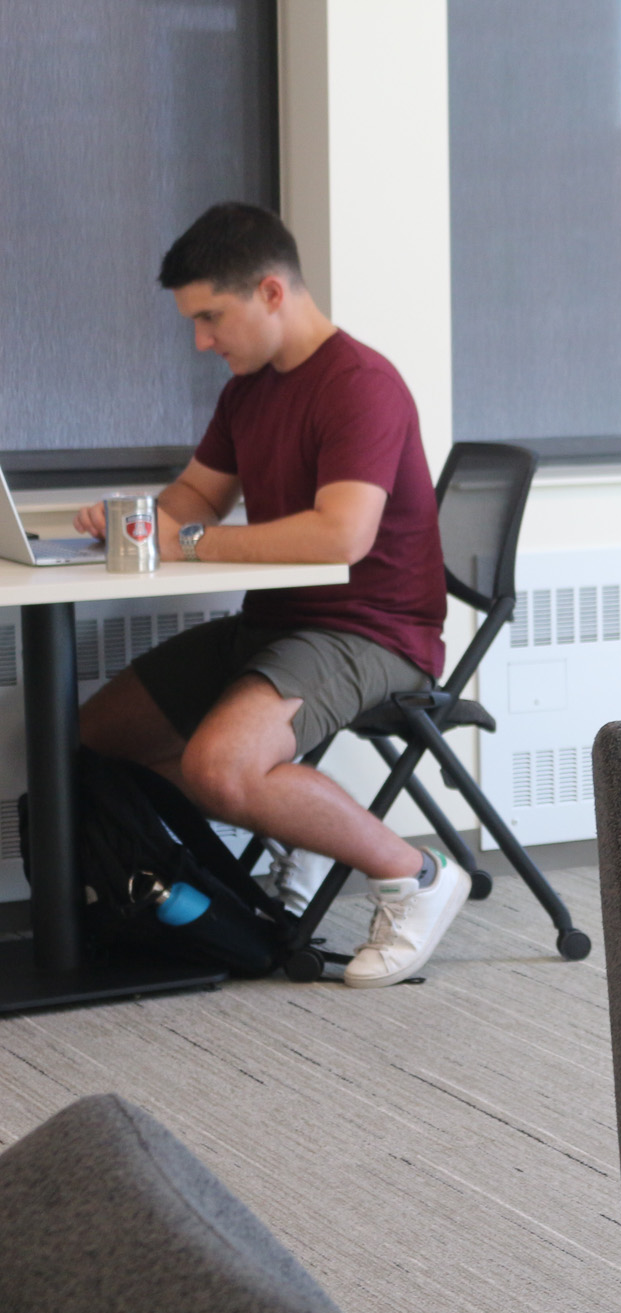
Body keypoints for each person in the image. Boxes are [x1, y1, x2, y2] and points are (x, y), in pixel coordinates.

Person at [74, 202, 469, 988]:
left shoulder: (361, 385)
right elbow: (195, 497)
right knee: (94, 733)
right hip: (279, 622)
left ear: (271, 292)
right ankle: (298, 825)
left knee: (223, 767)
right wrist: (135, 525)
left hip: (371, 631)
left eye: (211, 317)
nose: (202, 340)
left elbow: (340, 536)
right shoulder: (248, 390)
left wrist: (191, 543)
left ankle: (415, 874)